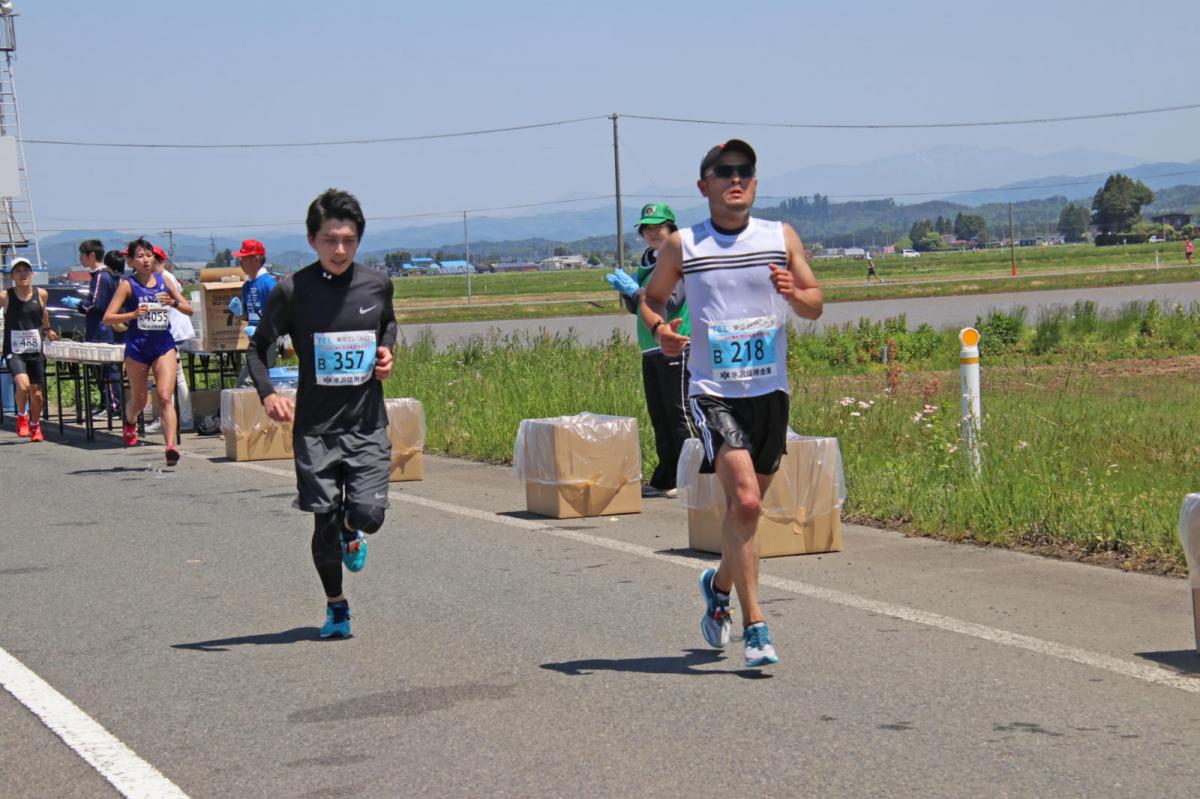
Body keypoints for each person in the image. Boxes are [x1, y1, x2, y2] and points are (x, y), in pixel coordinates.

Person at [640, 139, 823, 667]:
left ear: (755, 184)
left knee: (748, 513)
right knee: (743, 504)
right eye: (723, 172)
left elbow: (815, 305)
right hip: (713, 391)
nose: (735, 179)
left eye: (744, 171)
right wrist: (662, 332)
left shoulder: (779, 236)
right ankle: (756, 625)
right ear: (705, 187)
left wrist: (795, 293)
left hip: (770, 390)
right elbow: (652, 300)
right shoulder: (684, 246)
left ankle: (717, 586)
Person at [246, 189, 397, 640]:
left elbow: (388, 323)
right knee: (323, 520)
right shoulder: (293, 290)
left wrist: (388, 349)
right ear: (313, 239)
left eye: (349, 240)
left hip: (367, 422)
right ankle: (337, 607)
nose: (340, 250)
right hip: (316, 429)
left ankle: (355, 528)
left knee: (369, 513)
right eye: (330, 240)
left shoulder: (376, 284)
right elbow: (258, 348)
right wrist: (268, 393)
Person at [606, 202, 692, 498]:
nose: (653, 233)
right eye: (648, 228)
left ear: (672, 229)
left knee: (679, 412)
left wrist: (638, 293)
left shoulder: (677, 259)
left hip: (676, 343)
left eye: (660, 227)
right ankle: (666, 476)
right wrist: (631, 297)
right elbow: (641, 309)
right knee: (660, 415)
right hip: (650, 347)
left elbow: (668, 303)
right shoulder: (647, 260)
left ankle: (689, 477)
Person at [103, 238, 193, 465]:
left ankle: (170, 447)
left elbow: (189, 309)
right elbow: (108, 317)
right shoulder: (127, 285)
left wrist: (172, 302)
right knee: (140, 401)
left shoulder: (164, 281)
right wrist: (133, 314)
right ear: (131, 261)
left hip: (163, 344)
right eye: (140, 256)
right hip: (137, 347)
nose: (146, 260)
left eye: (149, 254)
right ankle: (131, 420)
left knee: (165, 395)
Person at [1, 257, 57, 441]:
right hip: (14, 349)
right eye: (18, 271)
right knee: (23, 386)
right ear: (12, 276)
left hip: (35, 349)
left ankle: (35, 425)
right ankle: (22, 417)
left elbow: (44, 313)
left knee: (37, 393)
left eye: (26, 270)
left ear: (32, 274)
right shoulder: (5, 296)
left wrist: (48, 329)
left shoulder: (41, 294)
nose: (22, 274)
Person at [152, 246, 195, 433]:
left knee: (176, 377)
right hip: (171, 332)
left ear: (157, 261)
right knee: (172, 377)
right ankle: (177, 418)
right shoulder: (164, 277)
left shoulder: (164, 278)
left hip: (173, 333)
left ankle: (184, 419)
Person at [77, 239, 121, 416]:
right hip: (99, 329)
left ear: (91, 255)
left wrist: (80, 305)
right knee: (102, 371)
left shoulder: (101, 276)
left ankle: (113, 405)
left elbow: (97, 303)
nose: (80, 259)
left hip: (102, 331)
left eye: (82, 255)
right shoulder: (102, 275)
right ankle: (107, 403)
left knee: (107, 370)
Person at [231, 239, 278, 387]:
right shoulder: (247, 285)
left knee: (248, 383)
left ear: (256, 259)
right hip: (255, 342)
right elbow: (247, 315)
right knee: (244, 383)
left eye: (243, 258)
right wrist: (239, 313)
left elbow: (281, 314)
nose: (240, 262)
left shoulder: (268, 284)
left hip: (268, 341)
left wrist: (262, 329)